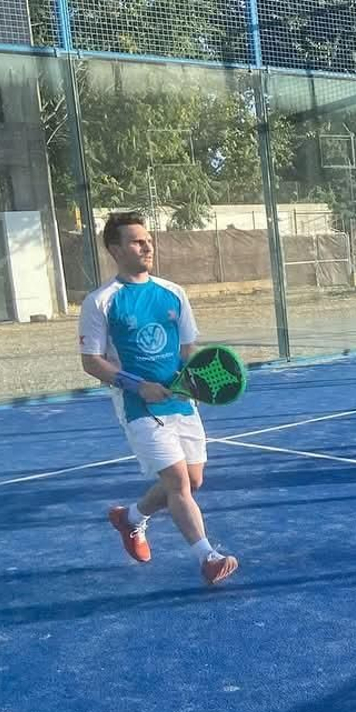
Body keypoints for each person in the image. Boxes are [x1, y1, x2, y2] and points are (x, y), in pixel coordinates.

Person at [78, 210, 239, 586]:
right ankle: (208, 557)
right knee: (178, 482)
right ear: (115, 250)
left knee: (192, 481)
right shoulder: (101, 301)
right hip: (138, 406)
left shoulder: (173, 293)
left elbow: (188, 350)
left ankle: (131, 518)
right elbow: (91, 362)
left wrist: (199, 380)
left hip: (182, 402)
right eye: (136, 241)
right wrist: (137, 385)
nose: (147, 245)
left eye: (148, 239)